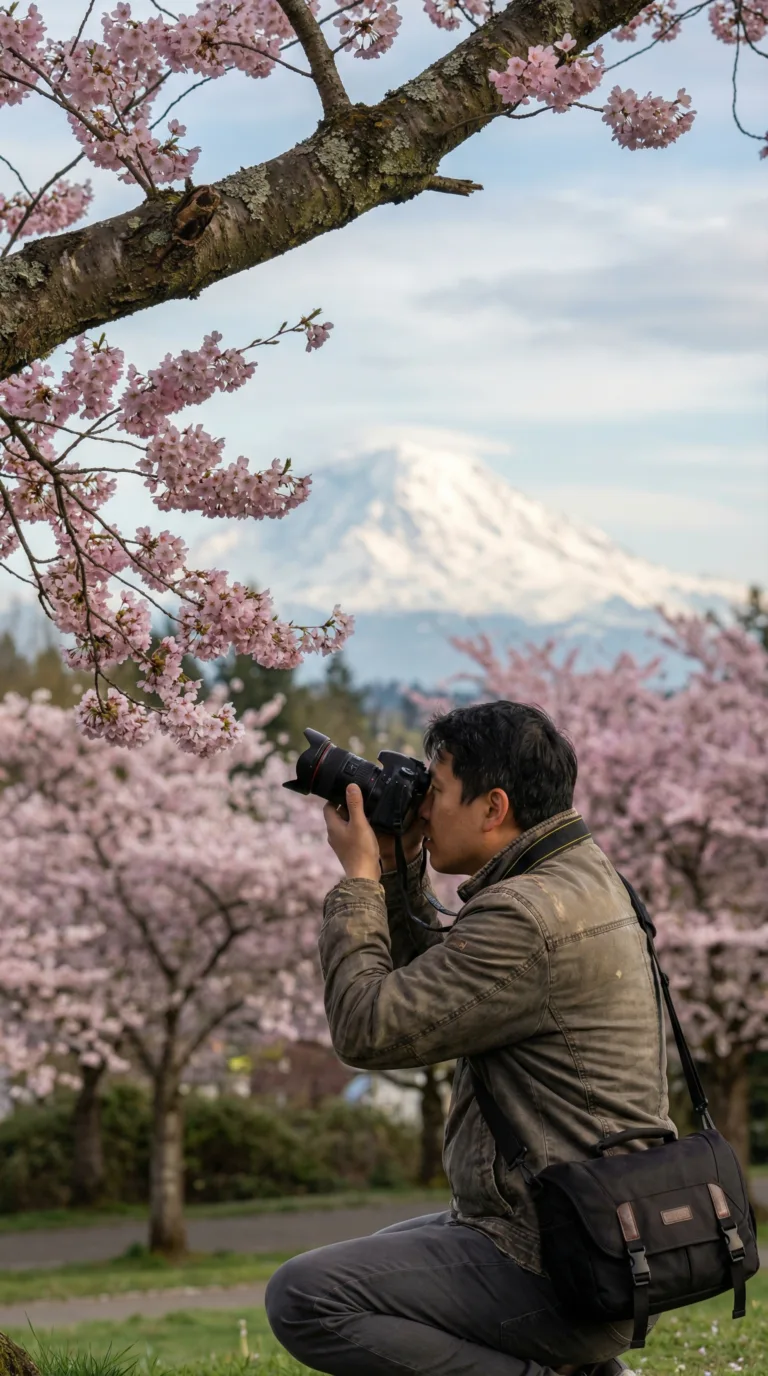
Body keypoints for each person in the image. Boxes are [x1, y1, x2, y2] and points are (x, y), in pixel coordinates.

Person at [265, 701, 673, 1376]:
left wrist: (361, 882)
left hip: (565, 1261)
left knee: (309, 1295)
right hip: (610, 1239)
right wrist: (402, 869)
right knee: (378, 1255)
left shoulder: (525, 914)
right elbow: (450, 990)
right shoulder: (580, 876)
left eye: (439, 790)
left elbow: (370, 1029)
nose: (423, 808)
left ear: (493, 808)